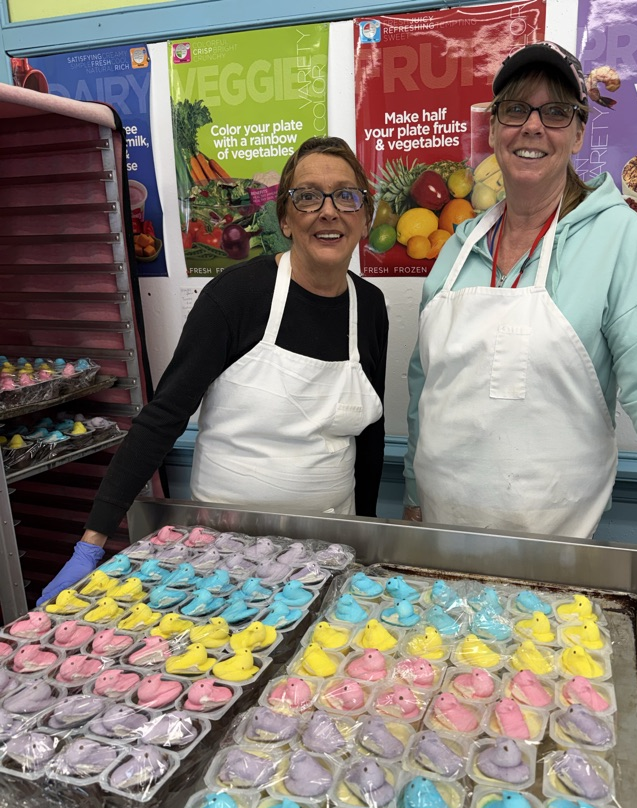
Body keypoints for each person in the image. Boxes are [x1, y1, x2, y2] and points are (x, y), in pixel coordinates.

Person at [403, 41, 637, 560]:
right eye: (516, 109)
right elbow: (424, 384)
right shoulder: (459, 245)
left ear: (580, 130)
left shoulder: (615, 237)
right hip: (438, 538)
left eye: (556, 112)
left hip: (556, 555)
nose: (533, 127)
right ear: (494, 127)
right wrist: (411, 494)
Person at [40, 136, 389, 603]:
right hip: (224, 558)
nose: (329, 211)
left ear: (364, 217)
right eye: (307, 196)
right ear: (285, 218)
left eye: (347, 195)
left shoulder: (369, 306)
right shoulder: (236, 295)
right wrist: (91, 543)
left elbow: (371, 435)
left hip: (328, 549)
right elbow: (164, 415)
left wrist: (365, 538)